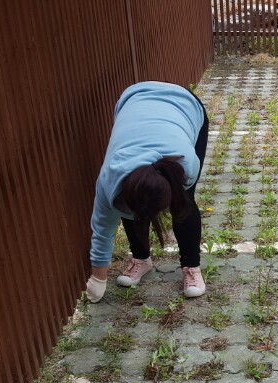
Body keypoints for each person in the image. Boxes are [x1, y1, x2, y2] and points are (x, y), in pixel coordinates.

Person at [85, 81, 208, 303]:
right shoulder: (109, 181)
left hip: (185, 105)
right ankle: (141, 259)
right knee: (133, 203)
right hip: (134, 100)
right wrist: (97, 279)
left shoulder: (185, 166)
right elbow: (102, 231)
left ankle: (191, 266)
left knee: (185, 203)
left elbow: (177, 200)